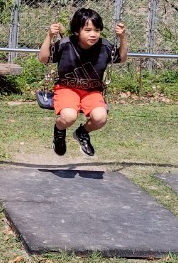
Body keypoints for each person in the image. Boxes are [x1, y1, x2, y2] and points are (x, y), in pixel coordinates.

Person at [38, 8, 128, 157]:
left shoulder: (104, 46)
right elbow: (43, 58)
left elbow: (122, 58)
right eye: (88, 30)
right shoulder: (66, 44)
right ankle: (59, 132)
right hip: (67, 88)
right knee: (69, 116)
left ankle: (82, 132)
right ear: (77, 31)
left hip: (92, 91)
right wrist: (49, 35)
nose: (93, 34)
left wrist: (122, 37)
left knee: (100, 118)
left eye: (97, 30)